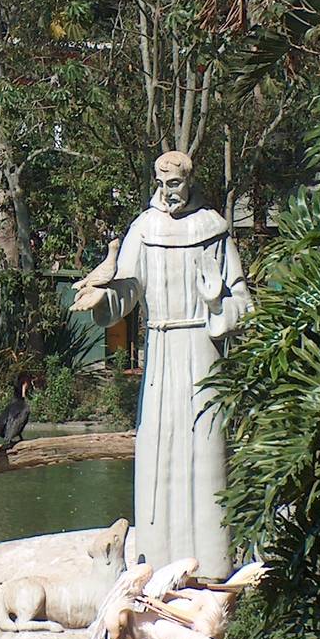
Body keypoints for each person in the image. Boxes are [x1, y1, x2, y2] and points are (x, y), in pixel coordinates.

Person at [70, 151, 251, 573]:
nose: (167, 193)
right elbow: (125, 290)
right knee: (158, 452)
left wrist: (215, 301)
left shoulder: (213, 230)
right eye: (161, 183)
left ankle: (210, 565)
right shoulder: (144, 228)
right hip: (161, 354)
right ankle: (156, 561)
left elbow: (244, 304)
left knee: (205, 450)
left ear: (189, 182)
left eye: (175, 184)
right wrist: (103, 299)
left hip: (202, 352)